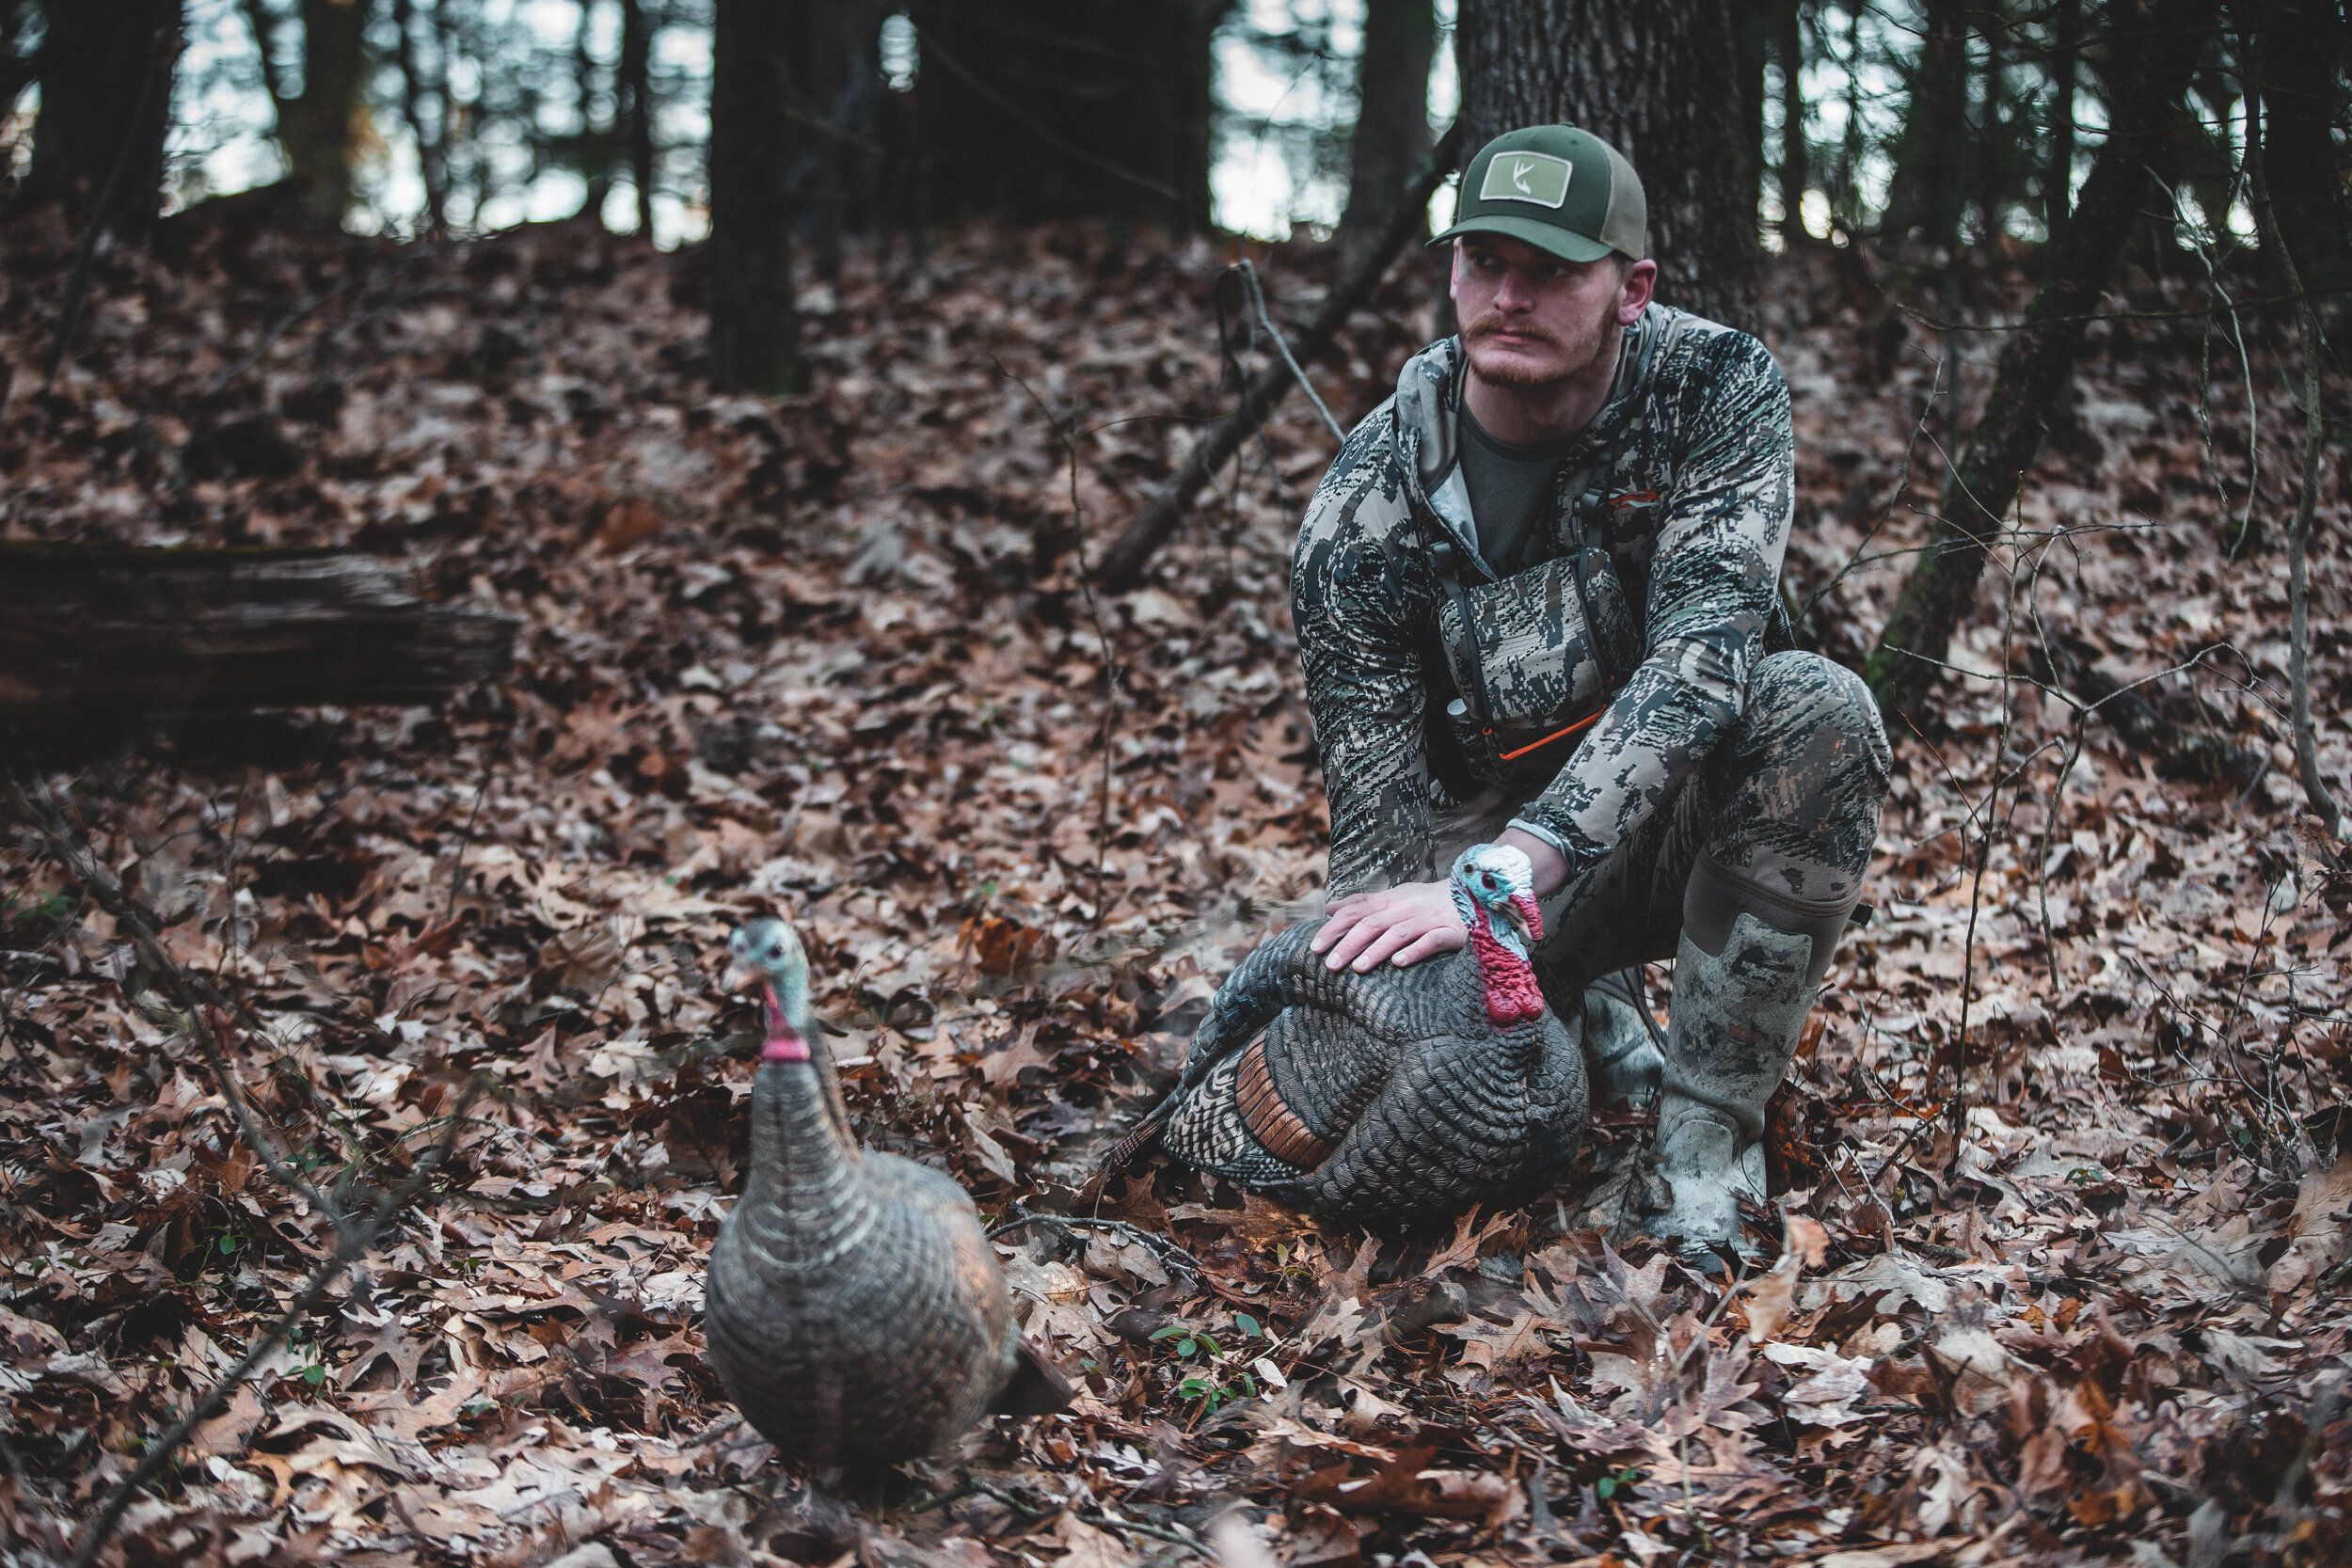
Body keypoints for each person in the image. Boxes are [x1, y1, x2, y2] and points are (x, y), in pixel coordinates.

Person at [1289, 124, 1891, 1256]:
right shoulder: (1361, 511)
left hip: (1661, 834)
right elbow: (1375, 823)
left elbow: (1704, 658)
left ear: (1631, 287)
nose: (1508, 296)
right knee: (1389, 1066)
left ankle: (1703, 1144)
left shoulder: (1715, 387)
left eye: (1553, 269)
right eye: (1483, 261)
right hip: (1478, 882)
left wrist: (1518, 866)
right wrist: (1393, 976)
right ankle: (1590, 1022)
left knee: (1816, 706)